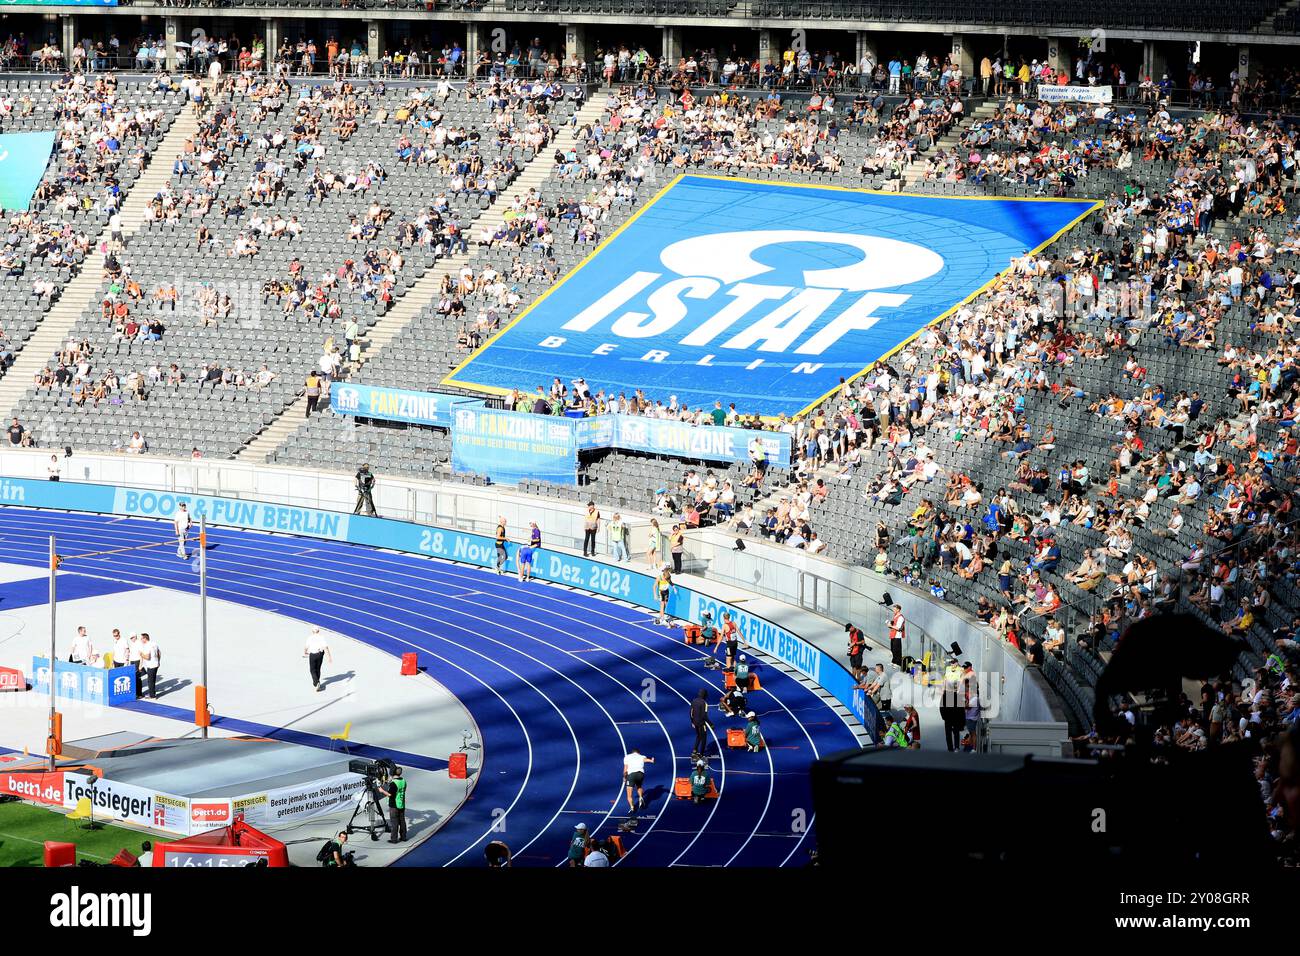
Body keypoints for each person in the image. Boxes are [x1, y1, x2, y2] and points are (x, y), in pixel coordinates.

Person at [377, 766, 407, 843]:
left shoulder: (394, 784)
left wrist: (382, 791)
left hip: (394, 805)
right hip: (401, 803)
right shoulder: (403, 780)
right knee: (402, 821)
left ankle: (394, 839)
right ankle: (403, 837)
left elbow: (390, 794)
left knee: (394, 822)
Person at [623, 748, 654, 814]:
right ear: (638, 753)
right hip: (641, 774)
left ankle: (632, 808)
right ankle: (640, 797)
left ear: (632, 752)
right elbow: (646, 760)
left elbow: (625, 768)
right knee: (639, 786)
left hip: (631, 775)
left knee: (629, 795)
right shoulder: (642, 756)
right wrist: (651, 760)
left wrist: (624, 777)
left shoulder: (627, 757)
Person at [304, 626, 332, 691]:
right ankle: (317, 682)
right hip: (320, 654)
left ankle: (316, 683)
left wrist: (305, 652)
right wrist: (329, 657)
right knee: (318, 668)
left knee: (312, 670)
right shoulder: (322, 637)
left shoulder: (310, 638)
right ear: (318, 631)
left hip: (312, 655)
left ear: (312, 631)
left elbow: (306, 646)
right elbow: (326, 647)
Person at [690, 687, 711, 758]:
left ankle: (695, 750)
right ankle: (701, 754)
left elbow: (691, 712)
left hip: (695, 722)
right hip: (701, 723)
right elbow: (704, 715)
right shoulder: (704, 703)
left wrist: (692, 721)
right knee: (704, 739)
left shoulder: (694, 701)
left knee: (698, 736)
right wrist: (711, 724)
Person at [139, 633, 160, 699]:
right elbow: (159, 653)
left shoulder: (147, 646)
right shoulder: (154, 643)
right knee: (153, 680)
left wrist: (141, 655)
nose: (141, 640)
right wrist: (159, 661)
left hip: (151, 665)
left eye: (142, 638)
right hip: (156, 664)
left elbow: (148, 657)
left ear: (145, 638)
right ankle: (153, 693)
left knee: (150, 681)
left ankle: (152, 696)